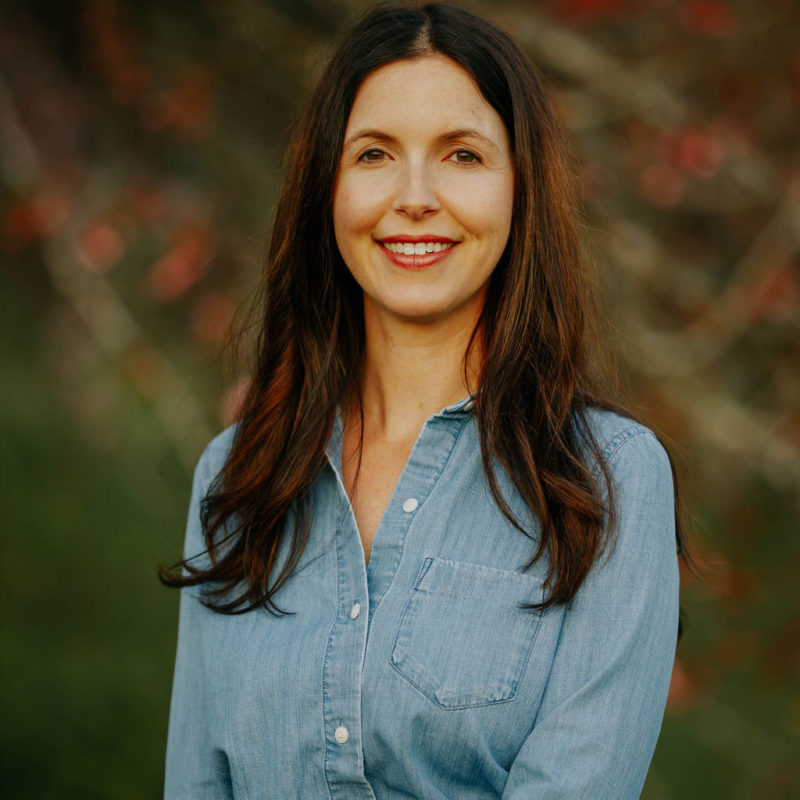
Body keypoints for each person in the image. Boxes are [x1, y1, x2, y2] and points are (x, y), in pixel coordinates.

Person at [160, 3, 687, 798]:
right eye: (374, 153)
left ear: (520, 188)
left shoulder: (609, 484)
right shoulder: (235, 480)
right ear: (325, 189)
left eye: (462, 155)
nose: (414, 196)